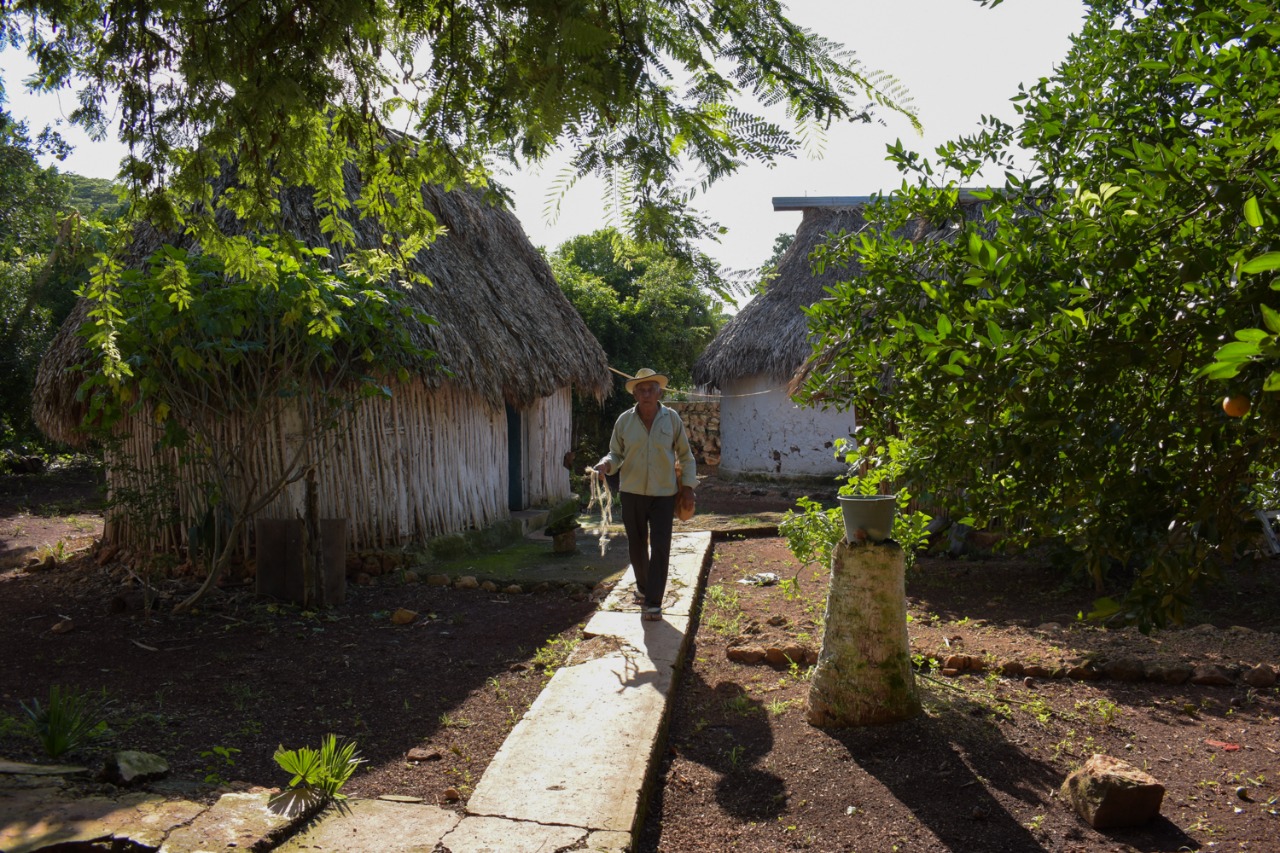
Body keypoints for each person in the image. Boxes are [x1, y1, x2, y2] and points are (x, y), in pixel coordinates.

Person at [595, 368, 697, 621]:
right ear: (635, 395)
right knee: (637, 544)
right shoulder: (624, 421)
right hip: (632, 492)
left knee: (661, 546)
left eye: (651, 389)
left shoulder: (671, 419)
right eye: (641, 390)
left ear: (659, 392)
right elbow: (615, 453)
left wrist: (688, 488)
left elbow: (685, 455)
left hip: (664, 494)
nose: (647, 394)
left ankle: (653, 602)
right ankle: (643, 587)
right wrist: (605, 465)